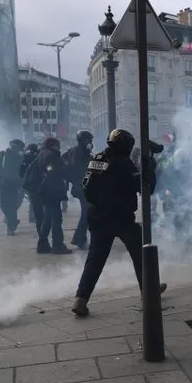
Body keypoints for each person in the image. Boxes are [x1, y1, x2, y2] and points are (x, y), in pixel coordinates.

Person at [72, 129, 167, 317]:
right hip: (120, 217)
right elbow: (146, 187)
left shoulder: (98, 158)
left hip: (97, 215)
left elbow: (86, 186)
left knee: (95, 260)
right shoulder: (124, 164)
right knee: (141, 253)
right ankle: (148, 291)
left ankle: (80, 299)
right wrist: (149, 168)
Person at [34, 137, 73, 254]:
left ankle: (42, 245)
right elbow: (52, 170)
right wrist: (63, 170)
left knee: (47, 219)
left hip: (46, 190)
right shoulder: (51, 155)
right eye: (58, 145)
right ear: (52, 145)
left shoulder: (42, 153)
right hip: (52, 191)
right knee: (56, 219)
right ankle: (58, 245)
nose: (59, 147)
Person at [65, 130, 95, 250]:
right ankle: (79, 239)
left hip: (83, 186)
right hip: (81, 186)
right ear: (82, 141)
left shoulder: (82, 151)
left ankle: (80, 238)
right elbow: (79, 169)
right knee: (87, 212)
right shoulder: (77, 151)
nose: (91, 143)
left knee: (87, 212)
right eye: (89, 141)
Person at [0, 139, 24, 235]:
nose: (18, 149)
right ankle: (12, 222)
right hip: (4, 184)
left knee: (12, 206)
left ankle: (11, 226)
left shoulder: (20, 157)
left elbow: (22, 171)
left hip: (14, 185)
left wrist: (21, 183)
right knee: (4, 205)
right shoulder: (2, 155)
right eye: (17, 148)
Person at [20, 143, 42, 231]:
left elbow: (20, 172)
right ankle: (35, 218)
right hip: (36, 184)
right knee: (36, 202)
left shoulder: (25, 158)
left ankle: (33, 217)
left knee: (32, 201)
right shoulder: (37, 157)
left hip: (28, 184)